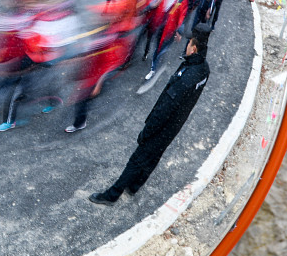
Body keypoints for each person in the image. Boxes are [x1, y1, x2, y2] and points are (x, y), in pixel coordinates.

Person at [88, 35, 210, 205]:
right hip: (175, 125)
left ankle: (112, 195)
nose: (187, 47)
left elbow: (165, 108)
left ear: (194, 48)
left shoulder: (187, 77)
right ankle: (135, 186)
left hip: (163, 126)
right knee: (154, 156)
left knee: (138, 158)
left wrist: (148, 130)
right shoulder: (204, 69)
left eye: (189, 44)